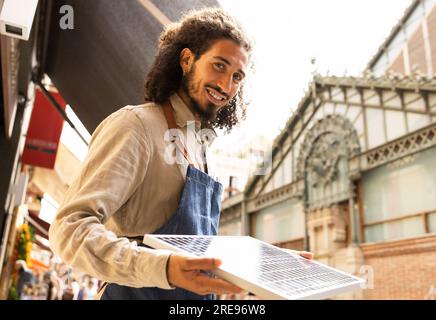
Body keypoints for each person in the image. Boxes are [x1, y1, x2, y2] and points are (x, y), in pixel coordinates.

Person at [49, 7, 312, 300]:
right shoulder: (136, 127)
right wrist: (165, 268)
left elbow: (196, 246)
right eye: (219, 66)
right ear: (187, 60)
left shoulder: (203, 150)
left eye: (237, 76)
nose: (226, 85)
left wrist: (265, 265)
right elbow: (70, 229)